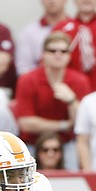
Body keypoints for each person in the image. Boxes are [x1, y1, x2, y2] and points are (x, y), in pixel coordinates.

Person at [14, 31, 91, 170]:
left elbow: (82, 123)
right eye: (52, 50)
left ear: (69, 56)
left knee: (74, 173)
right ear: (43, 54)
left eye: (63, 51)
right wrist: (63, 125)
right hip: (32, 143)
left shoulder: (80, 81)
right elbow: (26, 123)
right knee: (25, 180)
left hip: (67, 144)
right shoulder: (27, 80)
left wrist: (72, 101)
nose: (58, 54)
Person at [14, 0, 69, 76]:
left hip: (73, 84)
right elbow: (23, 69)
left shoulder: (80, 30)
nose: (52, 1)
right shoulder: (28, 32)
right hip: (37, 84)